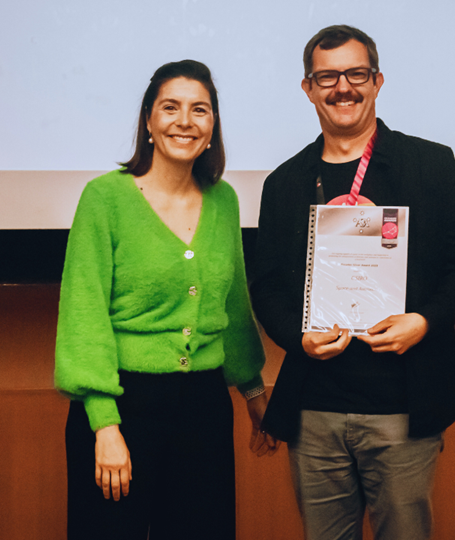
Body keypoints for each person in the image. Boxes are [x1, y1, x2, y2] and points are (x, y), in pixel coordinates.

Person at [250, 26, 455, 540]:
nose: (343, 88)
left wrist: (423, 322)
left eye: (356, 74)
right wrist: (298, 338)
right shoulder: (285, 183)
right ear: (308, 88)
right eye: (327, 76)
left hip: (404, 403)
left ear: (377, 81)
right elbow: (266, 287)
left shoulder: (430, 164)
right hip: (316, 408)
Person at [55, 59, 278, 540]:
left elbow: (233, 306)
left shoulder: (224, 200)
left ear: (212, 126)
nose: (185, 120)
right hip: (123, 408)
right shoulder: (105, 199)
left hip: (203, 409)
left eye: (200, 110)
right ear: (149, 122)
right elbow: (84, 314)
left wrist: (254, 392)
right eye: (170, 108)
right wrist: (105, 426)